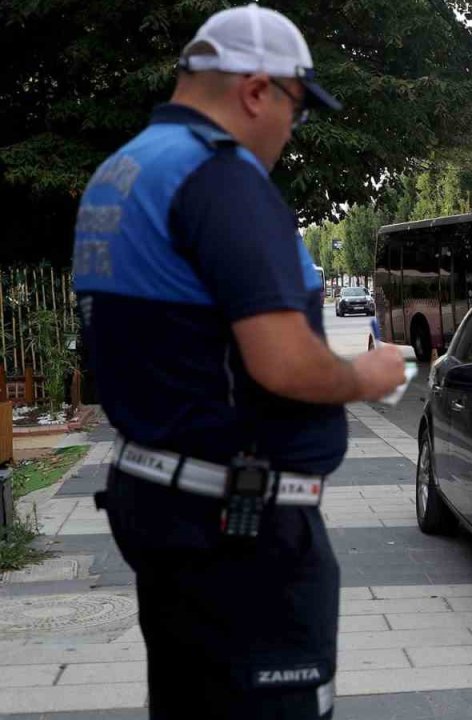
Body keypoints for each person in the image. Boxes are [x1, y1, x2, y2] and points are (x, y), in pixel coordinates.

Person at [71, 6, 406, 719]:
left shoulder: (123, 170)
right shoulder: (219, 179)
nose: (291, 130)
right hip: (237, 529)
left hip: (166, 502)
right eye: (295, 109)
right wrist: (368, 377)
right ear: (257, 91)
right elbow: (282, 364)